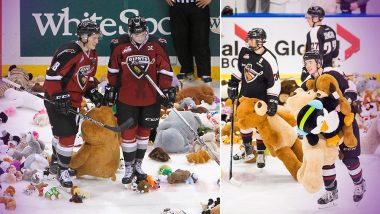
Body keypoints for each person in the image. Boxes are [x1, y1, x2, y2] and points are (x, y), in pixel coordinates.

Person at [106, 16, 175, 185]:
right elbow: (113, 71)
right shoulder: (119, 45)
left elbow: (165, 70)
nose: (140, 37)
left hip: (150, 98)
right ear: (130, 33)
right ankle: (129, 167)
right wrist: (112, 89)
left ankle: (138, 165)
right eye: (136, 35)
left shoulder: (157, 44)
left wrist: (165, 90)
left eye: (143, 34)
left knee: (144, 132)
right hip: (126, 98)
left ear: (147, 31)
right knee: (129, 133)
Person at [300, 50, 366, 207]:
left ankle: (359, 184)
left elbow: (349, 87)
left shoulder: (332, 73)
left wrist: (346, 102)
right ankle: (331, 192)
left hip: (345, 121)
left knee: (350, 158)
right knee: (326, 159)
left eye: (310, 62)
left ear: (319, 62)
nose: (307, 65)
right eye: (306, 63)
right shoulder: (307, 82)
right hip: (326, 124)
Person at [43, 20, 103, 188]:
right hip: (55, 99)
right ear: (84, 37)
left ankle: (56, 163)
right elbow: (51, 76)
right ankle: (62, 170)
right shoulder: (70, 51)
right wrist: (58, 96)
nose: (97, 41)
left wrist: (92, 91)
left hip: (74, 101)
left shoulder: (92, 54)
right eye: (94, 37)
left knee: (61, 134)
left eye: (98, 37)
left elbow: (87, 78)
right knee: (67, 135)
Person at [228, 28, 280, 168]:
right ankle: (247, 148)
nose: (248, 41)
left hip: (260, 100)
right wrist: (233, 83)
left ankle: (261, 152)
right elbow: (239, 69)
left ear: (261, 41)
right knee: (243, 122)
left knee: (260, 126)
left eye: (252, 39)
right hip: (245, 97)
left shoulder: (269, 58)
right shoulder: (244, 53)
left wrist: (273, 101)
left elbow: (274, 82)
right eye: (248, 39)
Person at [165, 0, 212, 83]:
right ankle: (186, 69)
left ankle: (205, 72)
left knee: (201, 39)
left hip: (199, 5)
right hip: (177, 5)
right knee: (180, 40)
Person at [303, 6, 339, 81]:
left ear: (315, 18)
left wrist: (307, 71)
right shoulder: (330, 30)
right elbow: (335, 53)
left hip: (319, 71)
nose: (307, 20)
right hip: (330, 69)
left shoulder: (313, 32)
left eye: (309, 17)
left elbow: (314, 55)